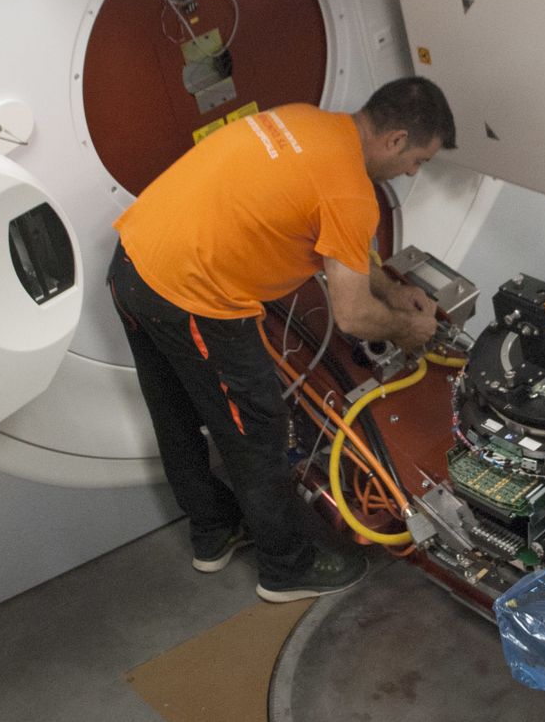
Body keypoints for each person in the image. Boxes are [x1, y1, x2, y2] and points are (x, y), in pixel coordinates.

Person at [107, 77, 455, 602]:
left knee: (175, 411)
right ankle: (286, 566)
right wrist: (412, 330)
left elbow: (337, 235)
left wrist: (389, 287)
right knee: (256, 427)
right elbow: (353, 316)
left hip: (133, 260)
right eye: (418, 160)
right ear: (397, 139)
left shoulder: (304, 120)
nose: (411, 172)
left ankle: (213, 531)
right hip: (191, 298)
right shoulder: (350, 191)